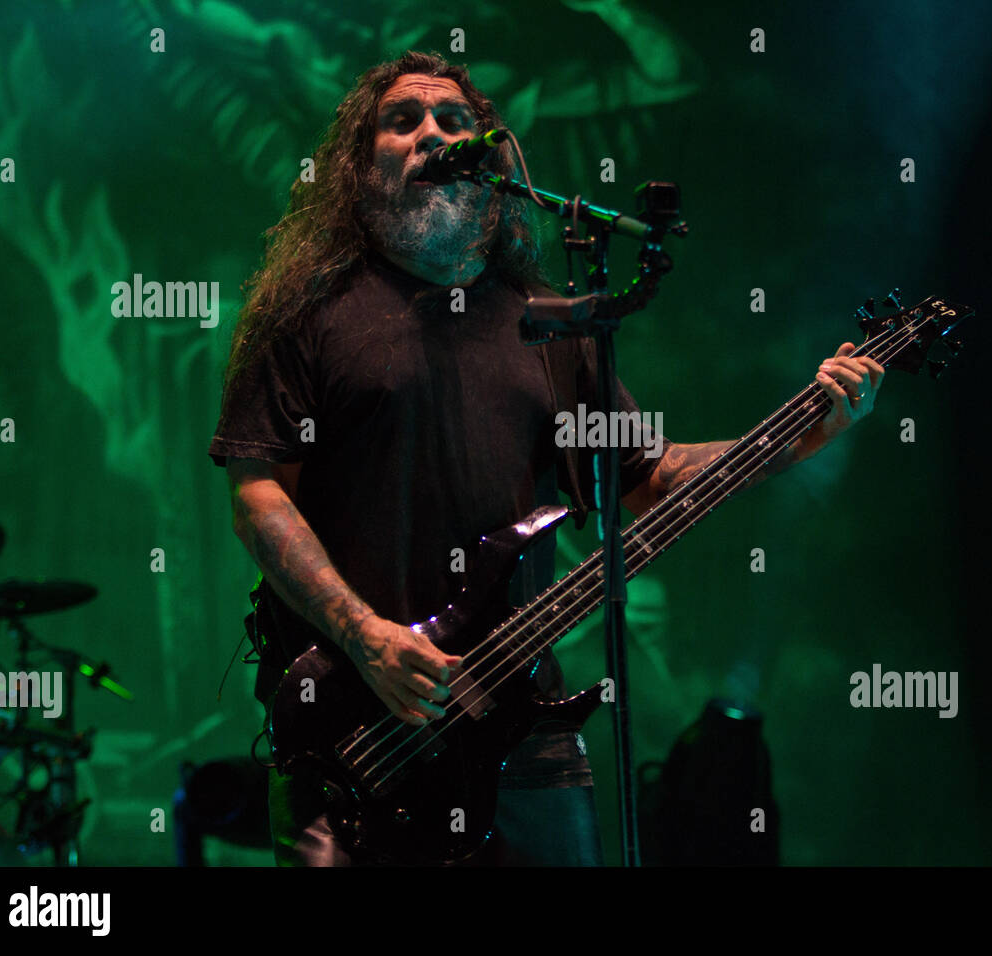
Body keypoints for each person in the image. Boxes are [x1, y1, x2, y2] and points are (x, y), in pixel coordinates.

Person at [208, 51, 883, 866]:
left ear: (491, 163)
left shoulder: (549, 326)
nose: (434, 134)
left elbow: (652, 480)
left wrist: (807, 428)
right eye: (405, 120)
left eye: (456, 123)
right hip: (352, 731)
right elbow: (258, 495)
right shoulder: (309, 313)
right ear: (360, 163)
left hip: (519, 722)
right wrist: (366, 637)